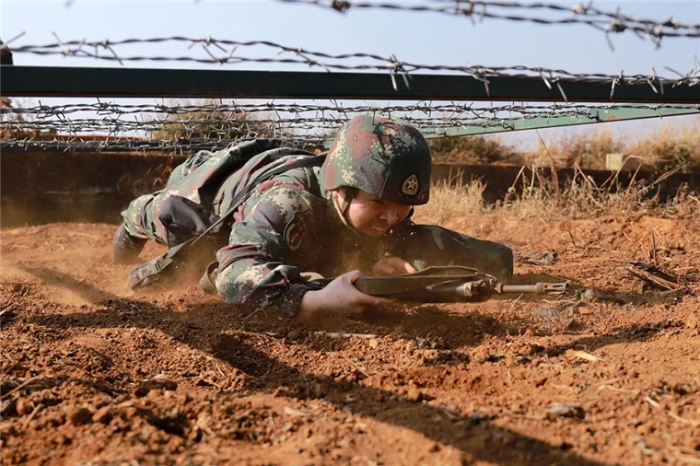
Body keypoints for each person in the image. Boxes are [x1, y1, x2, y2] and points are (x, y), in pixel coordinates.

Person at [114, 114, 513, 321]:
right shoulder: (287, 202)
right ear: (342, 190)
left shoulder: (385, 210)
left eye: (402, 206)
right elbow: (235, 274)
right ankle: (129, 228)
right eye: (377, 202)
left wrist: (385, 262)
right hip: (213, 196)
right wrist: (316, 301)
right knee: (164, 215)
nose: (391, 217)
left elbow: (491, 258)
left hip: (293, 204)